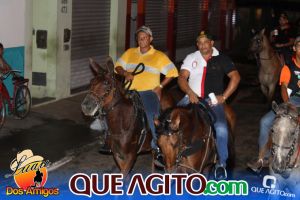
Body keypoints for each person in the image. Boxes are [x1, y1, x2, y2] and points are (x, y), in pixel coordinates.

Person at [177, 31, 240, 179]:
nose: (202, 45)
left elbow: (235, 77)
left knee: (221, 128)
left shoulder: (222, 59)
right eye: (199, 42)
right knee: (169, 120)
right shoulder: (191, 57)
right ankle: (167, 155)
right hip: (191, 97)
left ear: (212, 43)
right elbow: (182, 78)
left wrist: (224, 96)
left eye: (206, 42)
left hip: (212, 101)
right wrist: (190, 92)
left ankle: (221, 165)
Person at [114, 26, 178, 167]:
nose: (141, 39)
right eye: (139, 37)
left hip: (147, 92)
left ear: (150, 39)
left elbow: (173, 72)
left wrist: (160, 86)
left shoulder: (159, 56)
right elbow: (117, 66)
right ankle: (109, 139)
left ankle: (157, 147)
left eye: (144, 37)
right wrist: (125, 73)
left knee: (152, 115)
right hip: (128, 91)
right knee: (111, 108)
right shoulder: (130, 52)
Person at [248, 36, 300, 172]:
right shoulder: (288, 68)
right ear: (294, 49)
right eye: (299, 46)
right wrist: (288, 104)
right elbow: (283, 87)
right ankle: (263, 158)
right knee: (265, 122)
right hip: (292, 102)